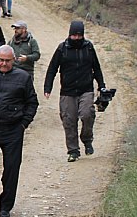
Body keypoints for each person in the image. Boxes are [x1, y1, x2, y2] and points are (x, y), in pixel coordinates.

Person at [0, 45, 38, 217]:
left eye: (7, 60)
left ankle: (6, 205)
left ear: (13, 60)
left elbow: (32, 102)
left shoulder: (23, 77)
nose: (4, 64)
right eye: (1, 60)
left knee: (12, 169)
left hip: (13, 130)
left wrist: (23, 124)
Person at [43, 21, 106, 162]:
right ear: (69, 34)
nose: (76, 38)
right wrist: (48, 87)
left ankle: (87, 139)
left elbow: (96, 68)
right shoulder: (62, 48)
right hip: (67, 91)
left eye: (79, 35)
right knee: (69, 120)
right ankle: (73, 151)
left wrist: (101, 85)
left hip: (86, 89)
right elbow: (52, 69)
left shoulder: (89, 47)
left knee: (87, 114)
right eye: (74, 35)